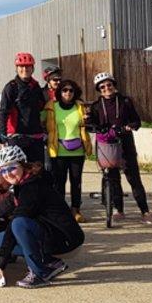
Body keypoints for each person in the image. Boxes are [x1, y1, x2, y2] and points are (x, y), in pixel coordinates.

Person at [0, 145, 84, 289]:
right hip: (50, 233)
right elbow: (3, 207)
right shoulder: (21, 184)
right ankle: (50, 262)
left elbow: (16, 220)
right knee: (0, 239)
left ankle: (40, 273)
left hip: (67, 239)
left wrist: (2, 260)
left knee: (18, 224)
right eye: (3, 170)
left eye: (11, 168)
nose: (7, 174)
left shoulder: (32, 186)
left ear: (23, 164)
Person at [86, 72, 152, 225]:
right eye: (102, 87)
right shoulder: (96, 106)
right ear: (99, 90)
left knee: (133, 178)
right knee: (113, 178)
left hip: (125, 144)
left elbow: (136, 121)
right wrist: (92, 124)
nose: (106, 88)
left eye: (109, 85)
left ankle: (145, 211)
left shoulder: (125, 101)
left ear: (114, 85)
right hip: (107, 146)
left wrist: (129, 127)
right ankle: (119, 210)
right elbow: (92, 124)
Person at [42, 79, 91, 223]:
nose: (68, 93)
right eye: (64, 90)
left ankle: (76, 209)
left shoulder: (80, 106)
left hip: (77, 151)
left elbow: (88, 121)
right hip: (58, 151)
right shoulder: (51, 107)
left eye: (71, 90)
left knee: (76, 182)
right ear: (59, 92)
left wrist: (89, 119)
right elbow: (40, 120)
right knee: (59, 183)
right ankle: (60, 210)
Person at [0, 53, 47, 165]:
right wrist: (3, 136)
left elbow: (42, 107)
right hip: (17, 136)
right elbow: (3, 112)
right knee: (18, 170)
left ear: (33, 68)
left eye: (28, 66)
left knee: (38, 171)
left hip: (35, 135)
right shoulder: (11, 87)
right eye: (21, 66)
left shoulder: (36, 86)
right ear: (16, 68)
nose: (25, 69)